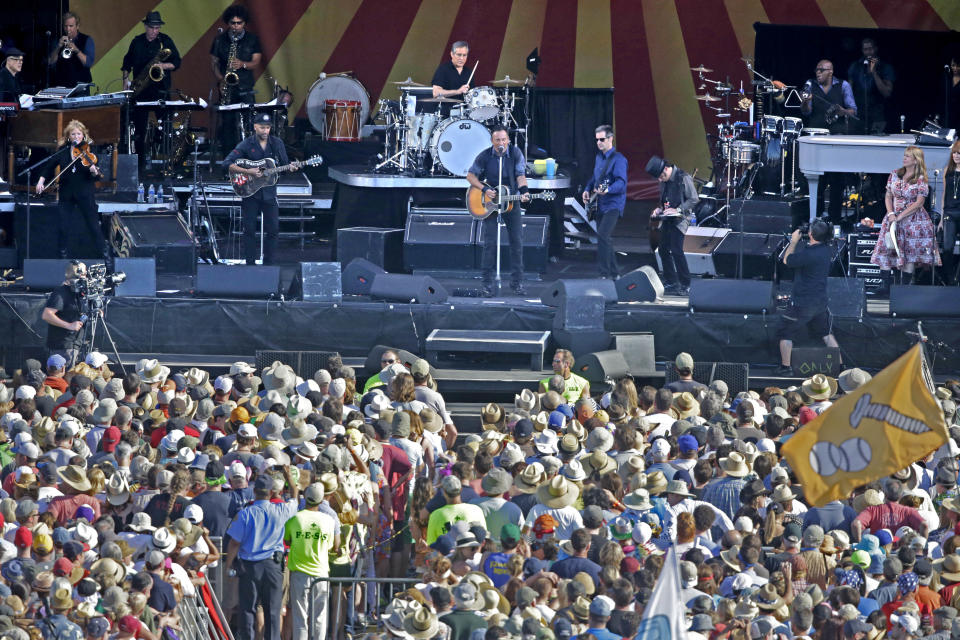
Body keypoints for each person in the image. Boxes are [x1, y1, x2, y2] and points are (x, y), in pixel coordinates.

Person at [225, 466, 300, 640]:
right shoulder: (281, 511)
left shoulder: (246, 513)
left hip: (249, 567)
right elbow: (295, 496)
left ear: (255, 491)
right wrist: (290, 478)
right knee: (273, 610)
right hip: (273, 567)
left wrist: (229, 566)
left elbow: (235, 543)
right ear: (272, 492)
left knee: (248, 609)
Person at [224, 112, 302, 265]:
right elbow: (227, 163)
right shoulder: (246, 144)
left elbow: (284, 167)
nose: (265, 131)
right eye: (262, 128)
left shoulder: (277, 143)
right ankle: (250, 263)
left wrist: (291, 167)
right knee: (249, 230)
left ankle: (269, 263)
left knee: (273, 230)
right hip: (250, 192)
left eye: (267, 128)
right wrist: (248, 172)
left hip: (269, 194)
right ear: (255, 127)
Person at [466, 125, 531, 296]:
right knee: (490, 243)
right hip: (490, 203)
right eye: (497, 140)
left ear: (508, 140)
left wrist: (524, 191)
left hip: (510, 201)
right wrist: (484, 189)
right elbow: (470, 176)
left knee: (517, 242)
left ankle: (517, 283)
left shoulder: (516, 153)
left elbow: (520, 174)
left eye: (504, 140)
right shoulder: (485, 155)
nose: (501, 143)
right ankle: (487, 284)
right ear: (492, 141)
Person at [774, 219, 841, 376]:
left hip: (803, 303)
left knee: (785, 332)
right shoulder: (826, 250)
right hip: (820, 302)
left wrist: (793, 241)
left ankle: (785, 367)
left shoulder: (808, 254)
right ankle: (840, 366)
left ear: (810, 234)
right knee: (826, 334)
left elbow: (786, 260)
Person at [36, 120, 109, 261]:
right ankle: (62, 258)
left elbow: (94, 177)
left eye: (79, 134)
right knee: (63, 226)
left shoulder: (90, 153)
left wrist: (94, 171)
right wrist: (41, 180)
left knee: (94, 226)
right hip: (66, 194)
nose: (76, 137)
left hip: (85, 194)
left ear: (83, 136)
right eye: (73, 134)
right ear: (68, 137)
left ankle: (106, 258)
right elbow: (49, 166)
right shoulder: (63, 151)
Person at [870, 146, 940, 284]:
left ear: (916, 160)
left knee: (909, 255)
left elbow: (919, 202)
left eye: (908, 156)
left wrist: (900, 217)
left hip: (913, 221)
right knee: (887, 249)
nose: (904, 158)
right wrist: (891, 214)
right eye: (904, 155)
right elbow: (888, 196)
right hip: (892, 218)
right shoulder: (895, 174)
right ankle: (885, 287)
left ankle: (904, 288)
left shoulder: (921, 179)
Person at [121, 12, 181, 168]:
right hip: (141, 91)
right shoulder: (137, 42)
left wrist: (161, 66)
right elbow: (126, 64)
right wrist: (125, 82)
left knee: (166, 128)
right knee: (139, 130)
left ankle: (170, 163)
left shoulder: (165, 41)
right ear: (146, 26)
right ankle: (139, 165)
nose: (155, 31)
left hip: (161, 90)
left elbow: (177, 62)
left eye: (158, 28)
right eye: (152, 28)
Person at [800, 60, 857, 225]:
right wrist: (805, 101)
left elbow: (853, 110)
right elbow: (806, 112)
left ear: (830, 72)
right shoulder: (810, 84)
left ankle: (835, 218)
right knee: (816, 178)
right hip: (816, 138)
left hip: (836, 138)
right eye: (816, 70)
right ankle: (815, 218)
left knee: (837, 179)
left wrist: (843, 111)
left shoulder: (843, 85)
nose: (818, 73)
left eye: (821, 70)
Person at [284, 482, 340, 640]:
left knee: (300, 617)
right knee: (319, 618)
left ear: (305, 498)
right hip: (321, 574)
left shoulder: (296, 518)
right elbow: (334, 545)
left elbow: (287, 540)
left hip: (300, 574)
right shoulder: (329, 520)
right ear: (322, 500)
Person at [210, 5, 263, 156]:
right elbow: (213, 62)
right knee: (227, 125)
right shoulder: (220, 40)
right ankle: (229, 158)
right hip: (227, 87)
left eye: (239, 23)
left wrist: (242, 64)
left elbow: (256, 62)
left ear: (244, 23)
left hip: (245, 87)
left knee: (248, 123)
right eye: (233, 23)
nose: (236, 26)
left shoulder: (253, 39)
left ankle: (249, 156)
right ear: (228, 23)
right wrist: (221, 80)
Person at [582, 125, 628, 279]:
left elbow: (622, 183)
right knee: (605, 238)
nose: (599, 143)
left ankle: (604, 274)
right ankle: (615, 274)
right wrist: (587, 189)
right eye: (597, 140)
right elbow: (596, 178)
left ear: (610, 139)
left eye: (602, 139)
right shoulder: (598, 158)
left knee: (602, 235)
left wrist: (608, 190)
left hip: (614, 204)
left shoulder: (619, 159)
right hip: (600, 204)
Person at [647, 154, 697, 295]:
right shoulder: (663, 181)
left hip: (681, 219)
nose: (660, 180)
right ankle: (671, 281)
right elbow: (664, 201)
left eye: (661, 177)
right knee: (662, 249)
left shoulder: (683, 177)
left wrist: (679, 209)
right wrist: (659, 209)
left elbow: (694, 199)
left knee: (676, 250)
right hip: (668, 219)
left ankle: (686, 284)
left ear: (666, 170)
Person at [41, 262, 87, 367]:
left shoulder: (81, 293)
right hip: (63, 346)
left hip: (77, 343)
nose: (86, 277)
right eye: (84, 274)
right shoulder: (61, 292)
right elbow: (47, 315)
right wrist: (69, 325)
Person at [846, 38, 894, 135]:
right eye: (865, 49)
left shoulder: (885, 67)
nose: (868, 52)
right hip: (858, 114)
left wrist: (874, 73)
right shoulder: (855, 66)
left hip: (877, 114)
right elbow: (849, 91)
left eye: (871, 49)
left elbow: (887, 92)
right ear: (862, 50)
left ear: (876, 49)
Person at [47, 12, 95, 90]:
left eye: (71, 26)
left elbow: (88, 63)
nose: (68, 29)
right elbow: (51, 63)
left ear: (77, 26)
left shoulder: (87, 40)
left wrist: (76, 50)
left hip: (81, 87)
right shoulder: (58, 41)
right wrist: (58, 47)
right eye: (65, 26)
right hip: (61, 86)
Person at [940, 140, 960, 285]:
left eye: (959, 153)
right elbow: (944, 194)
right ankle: (950, 279)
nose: (956, 156)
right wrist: (941, 217)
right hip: (949, 213)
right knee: (947, 248)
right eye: (954, 153)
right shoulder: (947, 170)